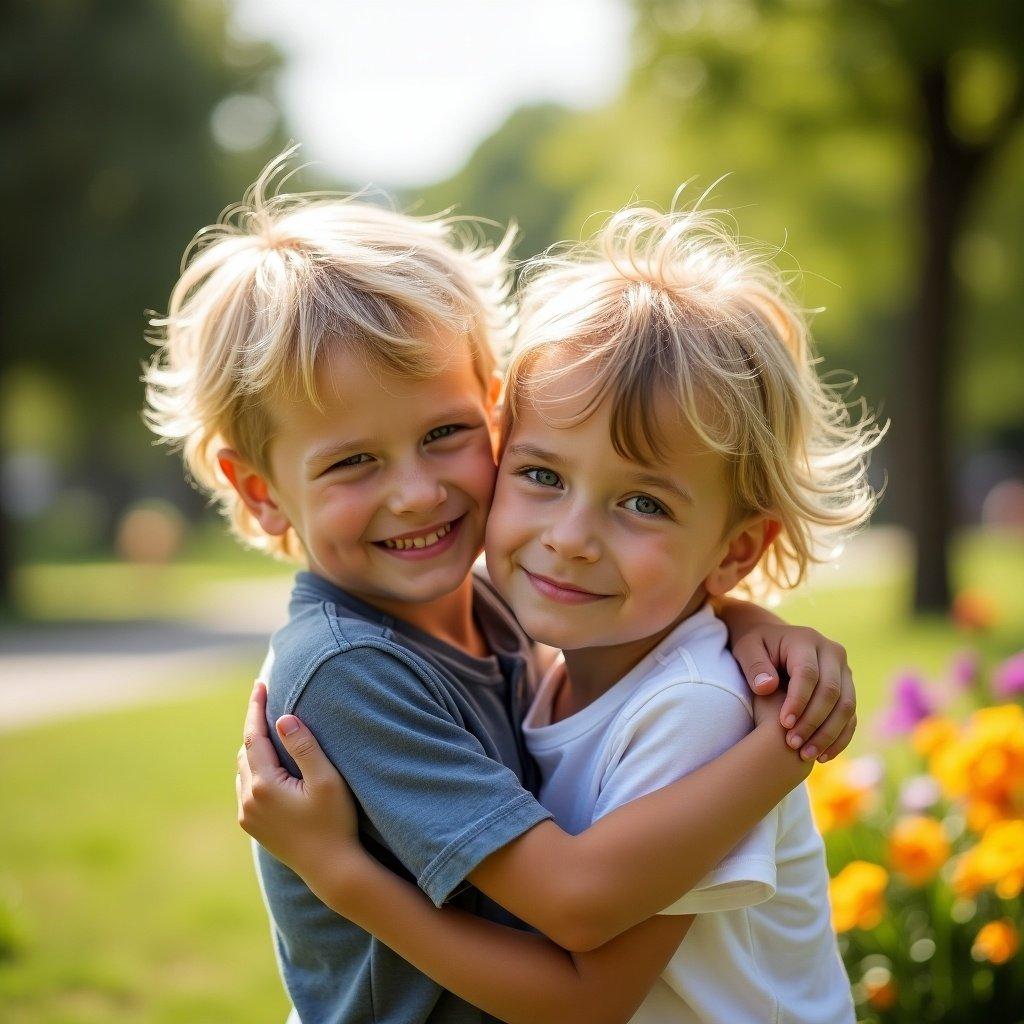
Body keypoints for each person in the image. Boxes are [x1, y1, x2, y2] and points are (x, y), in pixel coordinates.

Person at [147, 152, 858, 1024]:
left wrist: (741, 618)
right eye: (353, 461)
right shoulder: (348, 673)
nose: (415, 491)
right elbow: (575, 913)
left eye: (445, 433)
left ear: (493, 414)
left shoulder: (498, 608)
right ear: (260, 490)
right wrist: (791, 740)